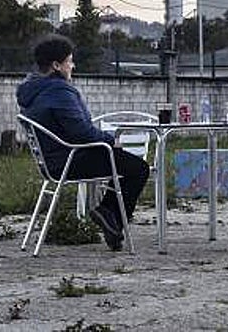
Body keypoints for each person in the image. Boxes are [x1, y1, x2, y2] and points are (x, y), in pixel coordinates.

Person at [16, 33, 149, 251]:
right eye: (69, 61)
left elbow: (73, 129)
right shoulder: (59, 91)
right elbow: (81, 132)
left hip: (53, 162)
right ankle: (108, 213)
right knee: (139, 168)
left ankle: (111, 222)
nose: (73, 65)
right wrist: (111, 140)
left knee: (123, 163)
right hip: (71, 160)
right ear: (57, 65)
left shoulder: (32, 91)